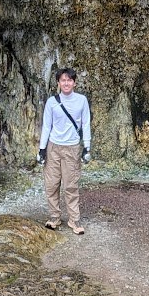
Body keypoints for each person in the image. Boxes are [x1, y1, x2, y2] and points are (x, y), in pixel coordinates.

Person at [37, 68, 91, 234]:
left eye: (69, 80)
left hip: (72, 148)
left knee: (71, 185)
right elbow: (46, 126)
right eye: (63, 80)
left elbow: (86, 124)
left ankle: (74, 220)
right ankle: (54, 217)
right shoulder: (52, 102)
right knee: (51, 184)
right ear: (58, 83)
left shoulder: (82, 100)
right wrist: (42, 149)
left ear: (74, 82)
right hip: (53, 147)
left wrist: (87, 147)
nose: (66, 83)